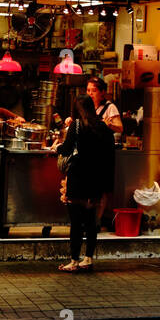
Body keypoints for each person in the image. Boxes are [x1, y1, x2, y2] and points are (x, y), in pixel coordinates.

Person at [56, 96, 116, 272]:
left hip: (78, 176)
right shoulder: (103, 126)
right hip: (95, 178)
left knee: (76, 222)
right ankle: (88, 258)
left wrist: (56, 147)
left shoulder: (75, 125)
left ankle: (74, 261)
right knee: (91, 221)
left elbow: (66, 148)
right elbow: (108, 152)